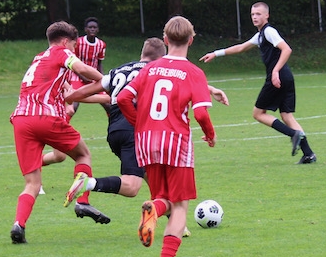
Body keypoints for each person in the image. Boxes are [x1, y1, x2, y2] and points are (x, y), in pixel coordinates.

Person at [58, 37, 229, 207]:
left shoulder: (118, 71)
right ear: (161, 57)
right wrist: (211, 89)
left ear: (142, 53)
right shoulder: (153, 70)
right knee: (132, 186)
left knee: (155, 181)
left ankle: (162, 213)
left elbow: (86, 92)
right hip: (136, 130)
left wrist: (70, 96)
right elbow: (178, 80)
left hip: (114, 131)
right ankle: (88, 183)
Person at [116, 16, 217, 257]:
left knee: (165, 199)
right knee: (180, 205)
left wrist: (139, 123)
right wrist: (210, 135)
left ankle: (154, 209)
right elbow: (201, 114)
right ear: (191, 40)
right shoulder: (194, 72)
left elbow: (123, 97)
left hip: (146, 141)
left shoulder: (149, 69)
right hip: (175, 142)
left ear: (165, 39)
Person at [10, 20, 109, 245]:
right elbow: (82, 69)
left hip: (21, 120)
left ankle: (19, 224)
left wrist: (105, 97)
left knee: (33, 183)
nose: (74, 50)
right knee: (83, 154)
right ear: (66, 42)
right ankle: (83, 201)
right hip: (44, 117)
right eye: (74, 46)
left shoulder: (39, 59)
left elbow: (68, 94)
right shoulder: (61, 53)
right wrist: (106, 81)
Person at [200, 1, 317, 164]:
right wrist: (216, 53)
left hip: (278, 77)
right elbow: (241, 48)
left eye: (258, 14)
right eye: (252, 14)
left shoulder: (269, 31)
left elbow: (287, 49)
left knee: (258, 114)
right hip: (286, 76)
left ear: (267, 15)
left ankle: (293, 134)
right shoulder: (261, 35)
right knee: (286, 115)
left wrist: (275, 71)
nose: (255, 17)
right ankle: (308, 154)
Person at [66, 16, 107, 90]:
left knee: (105, 96)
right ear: (85, 29)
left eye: (94, 27)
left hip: (93, 76)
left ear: (98, 29)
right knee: (75, 94)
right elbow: (72, 62)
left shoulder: (101, 44)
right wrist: (83, 77)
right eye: (90, 27)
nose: (92, 29)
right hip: (77, 75)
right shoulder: (78, 42)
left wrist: (102, 78)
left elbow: (99, 63)